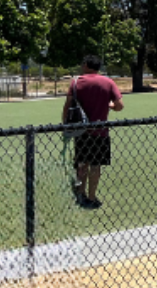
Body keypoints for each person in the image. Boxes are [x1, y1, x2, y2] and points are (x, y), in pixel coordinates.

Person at [62, 55, 125, 209]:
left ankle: (80, 194)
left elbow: (68, 105)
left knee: (82, 164)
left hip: (81, 131)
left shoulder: (76, 82)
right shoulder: (108, 82)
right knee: (96, 166)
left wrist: (65, 125)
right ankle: (92, 197)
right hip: (100, 130)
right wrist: (109, 105)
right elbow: (119, 106)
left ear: (86, 65)